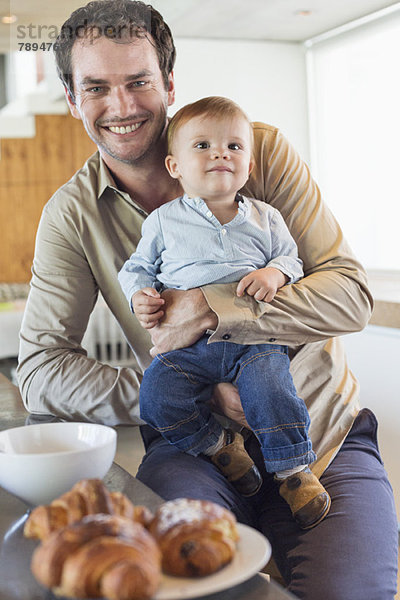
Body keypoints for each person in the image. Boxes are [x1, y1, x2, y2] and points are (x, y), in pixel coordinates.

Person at [16, 1, 398, 598]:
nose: (121, 107)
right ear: (72, 99)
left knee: (353, 591)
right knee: (196, 584)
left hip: (322, 434)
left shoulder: (256, 150)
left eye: (138, 81)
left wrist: (219, 306)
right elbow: (41, 369)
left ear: (168, 83)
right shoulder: (72, 214)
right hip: (192, 447)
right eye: (96, 87)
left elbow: (351, 294)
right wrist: (186, 390)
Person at [118, 95, 331, 530]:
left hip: (251, 341)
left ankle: (294, 473)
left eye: (234, 147)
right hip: (190, 347)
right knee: (156, 396)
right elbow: (136, 267)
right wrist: (140, 292)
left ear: (248, 167)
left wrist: (274, 273)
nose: (220, 153)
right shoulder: (163, 221)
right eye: (202, 146)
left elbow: (291, 260)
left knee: (273, 390)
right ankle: (217, 445)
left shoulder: (266, 217)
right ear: (174, 166)